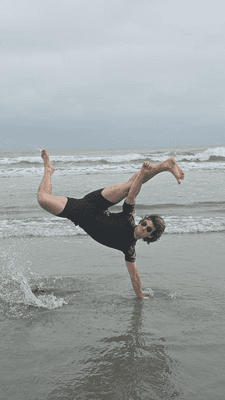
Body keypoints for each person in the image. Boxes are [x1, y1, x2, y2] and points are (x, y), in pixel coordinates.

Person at [38, 150, 185, 299]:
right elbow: (132, 195)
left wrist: (140, 295)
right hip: (94, 202)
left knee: (43, 199)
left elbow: (134, 275)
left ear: (150, 236)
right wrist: (142, 172)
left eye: (148, 229)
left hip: (78, 212)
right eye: (143, 222)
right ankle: (165, 165)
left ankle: (48, 170)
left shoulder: (129, 248)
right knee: (129, 186)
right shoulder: (128, 218)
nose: (142, 227)